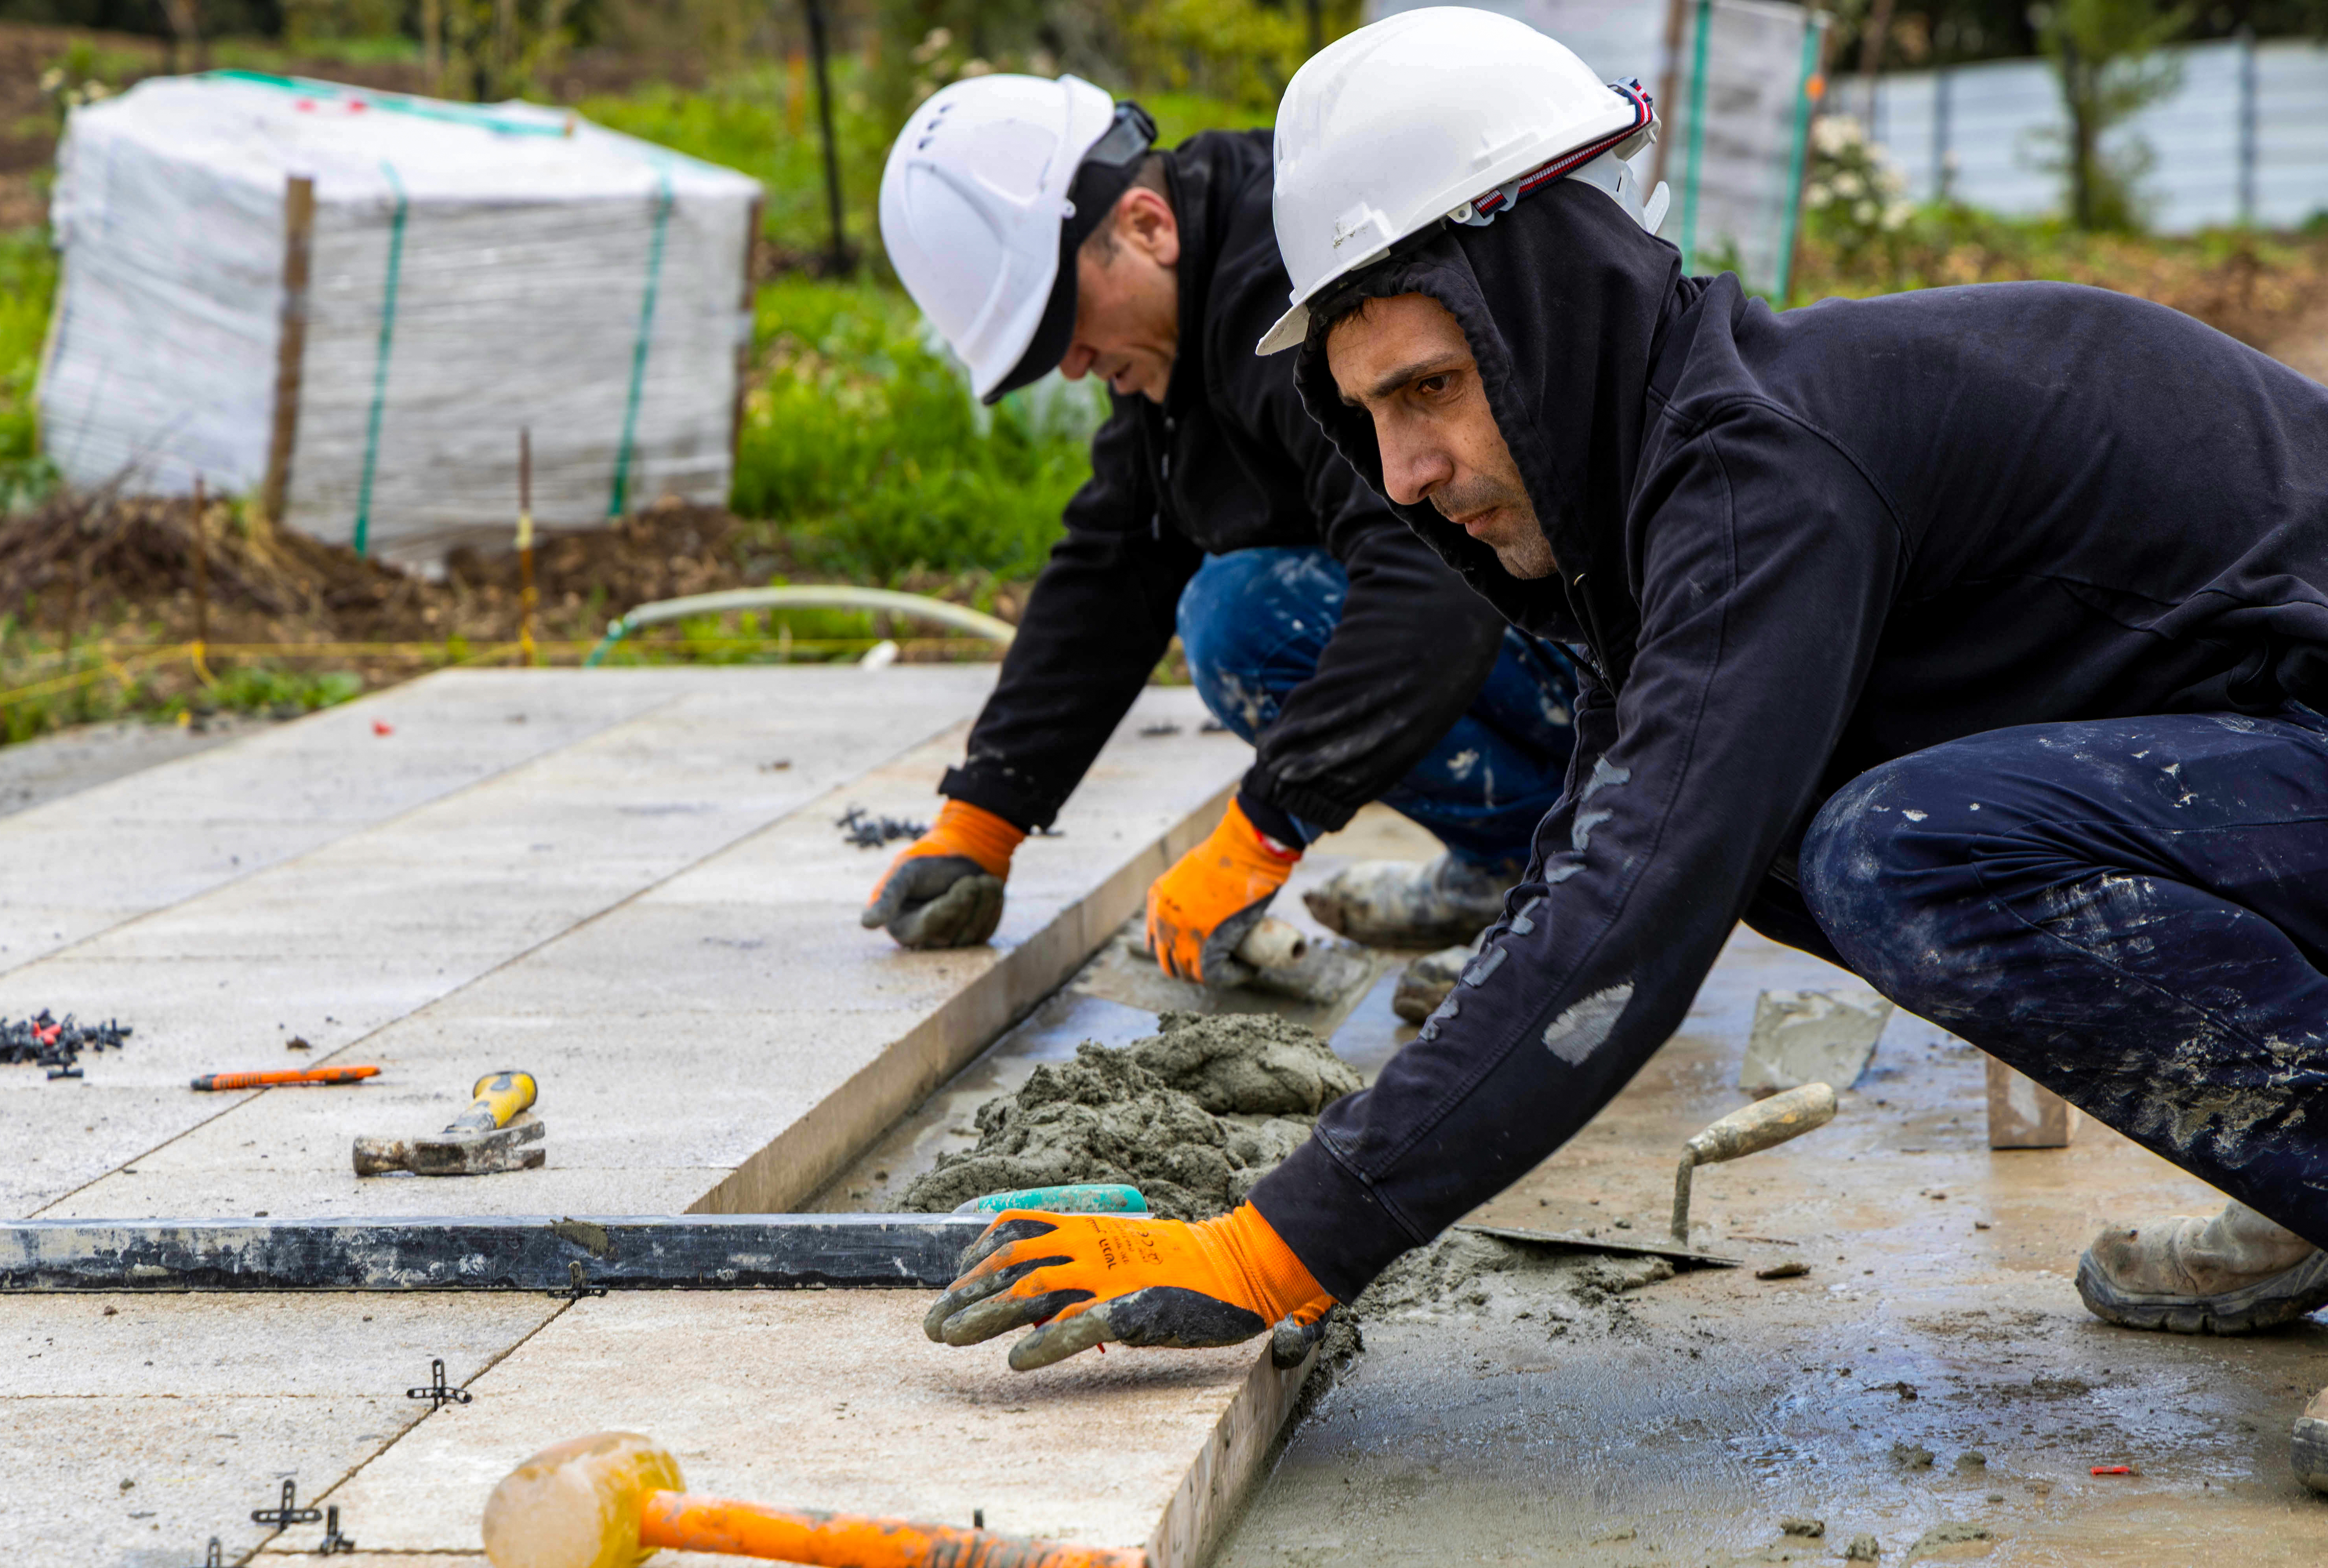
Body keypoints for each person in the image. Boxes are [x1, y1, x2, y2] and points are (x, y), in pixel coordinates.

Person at [919, 8, 2328, 1491]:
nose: (1401, 473)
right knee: (1789, 836)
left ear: (1545, 325)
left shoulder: (1762, 473)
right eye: (1368, 414)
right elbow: (1600, 855)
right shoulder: (1677, 484)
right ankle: (2292, 1171)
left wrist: (1280, 1248)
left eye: (1429, 391)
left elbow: (1630, 918)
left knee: (1897, 848)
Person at [863, 73, 1588, 982]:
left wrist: (1262, 830)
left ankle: (1578, 874)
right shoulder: (1187, 318)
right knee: (1231, 604)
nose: (1074, 364)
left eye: (1064, 326)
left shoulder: (1298, 288)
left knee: (1241, 617)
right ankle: (1525, 867)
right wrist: (986, 814)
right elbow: (1117, 562)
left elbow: (1427, 579)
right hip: (1544, 632)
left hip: (1615, 649)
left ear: (1144, 226)